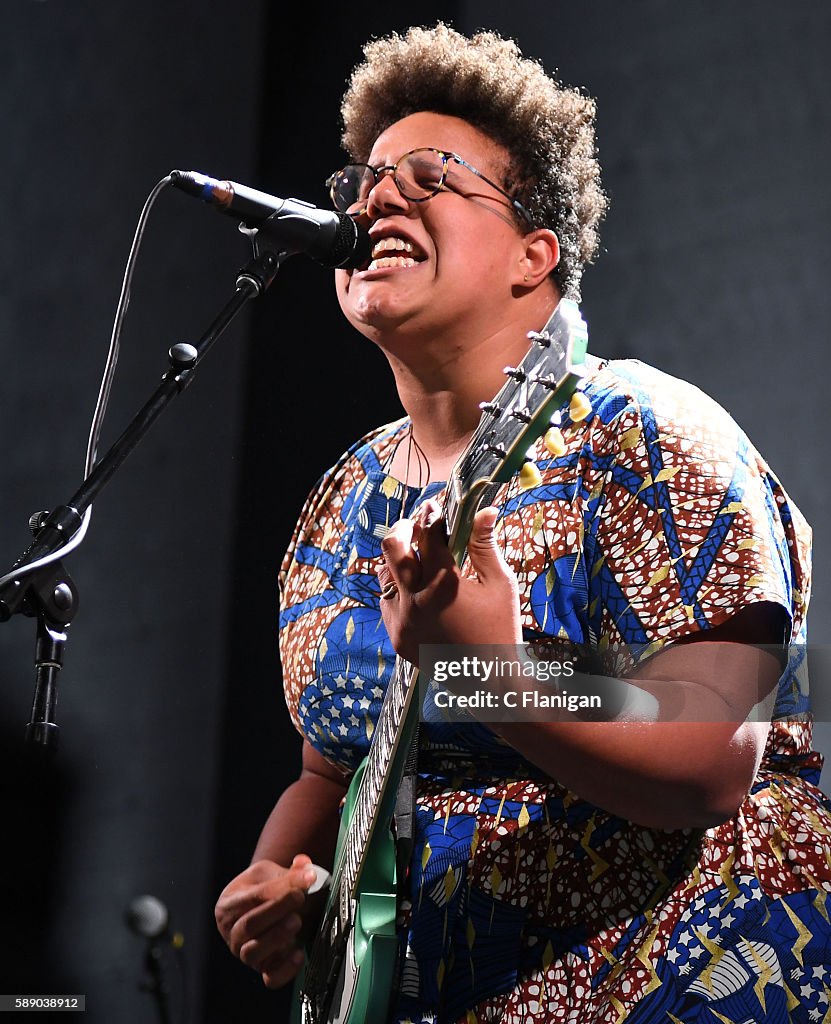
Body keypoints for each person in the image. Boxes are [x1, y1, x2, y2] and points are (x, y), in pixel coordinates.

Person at [215, 22, 831, 1023]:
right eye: (364, 181)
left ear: (534, 254)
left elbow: (713, 754)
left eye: (433, 176)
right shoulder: (344, 498)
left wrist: (491, 673)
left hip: (675, 986)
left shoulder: (642, 430)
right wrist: (274, 883)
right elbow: (329, 772)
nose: (377, 197)